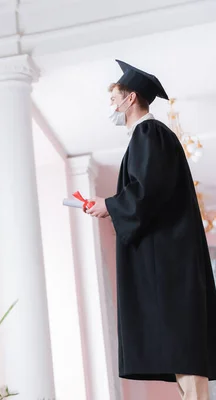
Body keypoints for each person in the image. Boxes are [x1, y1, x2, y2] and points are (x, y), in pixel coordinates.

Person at [86, 60, 216, 400]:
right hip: (171, 259)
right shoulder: (149, 137)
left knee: (183, 345)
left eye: (114, 99)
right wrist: (112, 206)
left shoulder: (149, 133)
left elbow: (148, 189)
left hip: (170, 263)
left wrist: (110, 205)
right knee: (180, 345)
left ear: (131, 98)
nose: (112, 107)